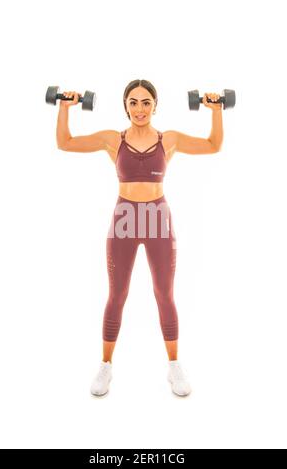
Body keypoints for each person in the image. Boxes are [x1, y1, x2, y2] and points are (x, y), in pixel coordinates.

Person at [56, 79, 223, 397]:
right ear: (125, 106)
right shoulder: (112, 140)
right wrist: (65, 107)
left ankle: (174, 366)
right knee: (117, 295)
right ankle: (105, 366)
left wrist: (215, 110)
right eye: (133, 102)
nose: (139, 109)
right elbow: (65, 142)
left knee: (164, 294)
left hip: (158, 220)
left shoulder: (168, 139)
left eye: (146, 102)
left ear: (155, 105)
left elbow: (214, 144)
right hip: (124, 221)